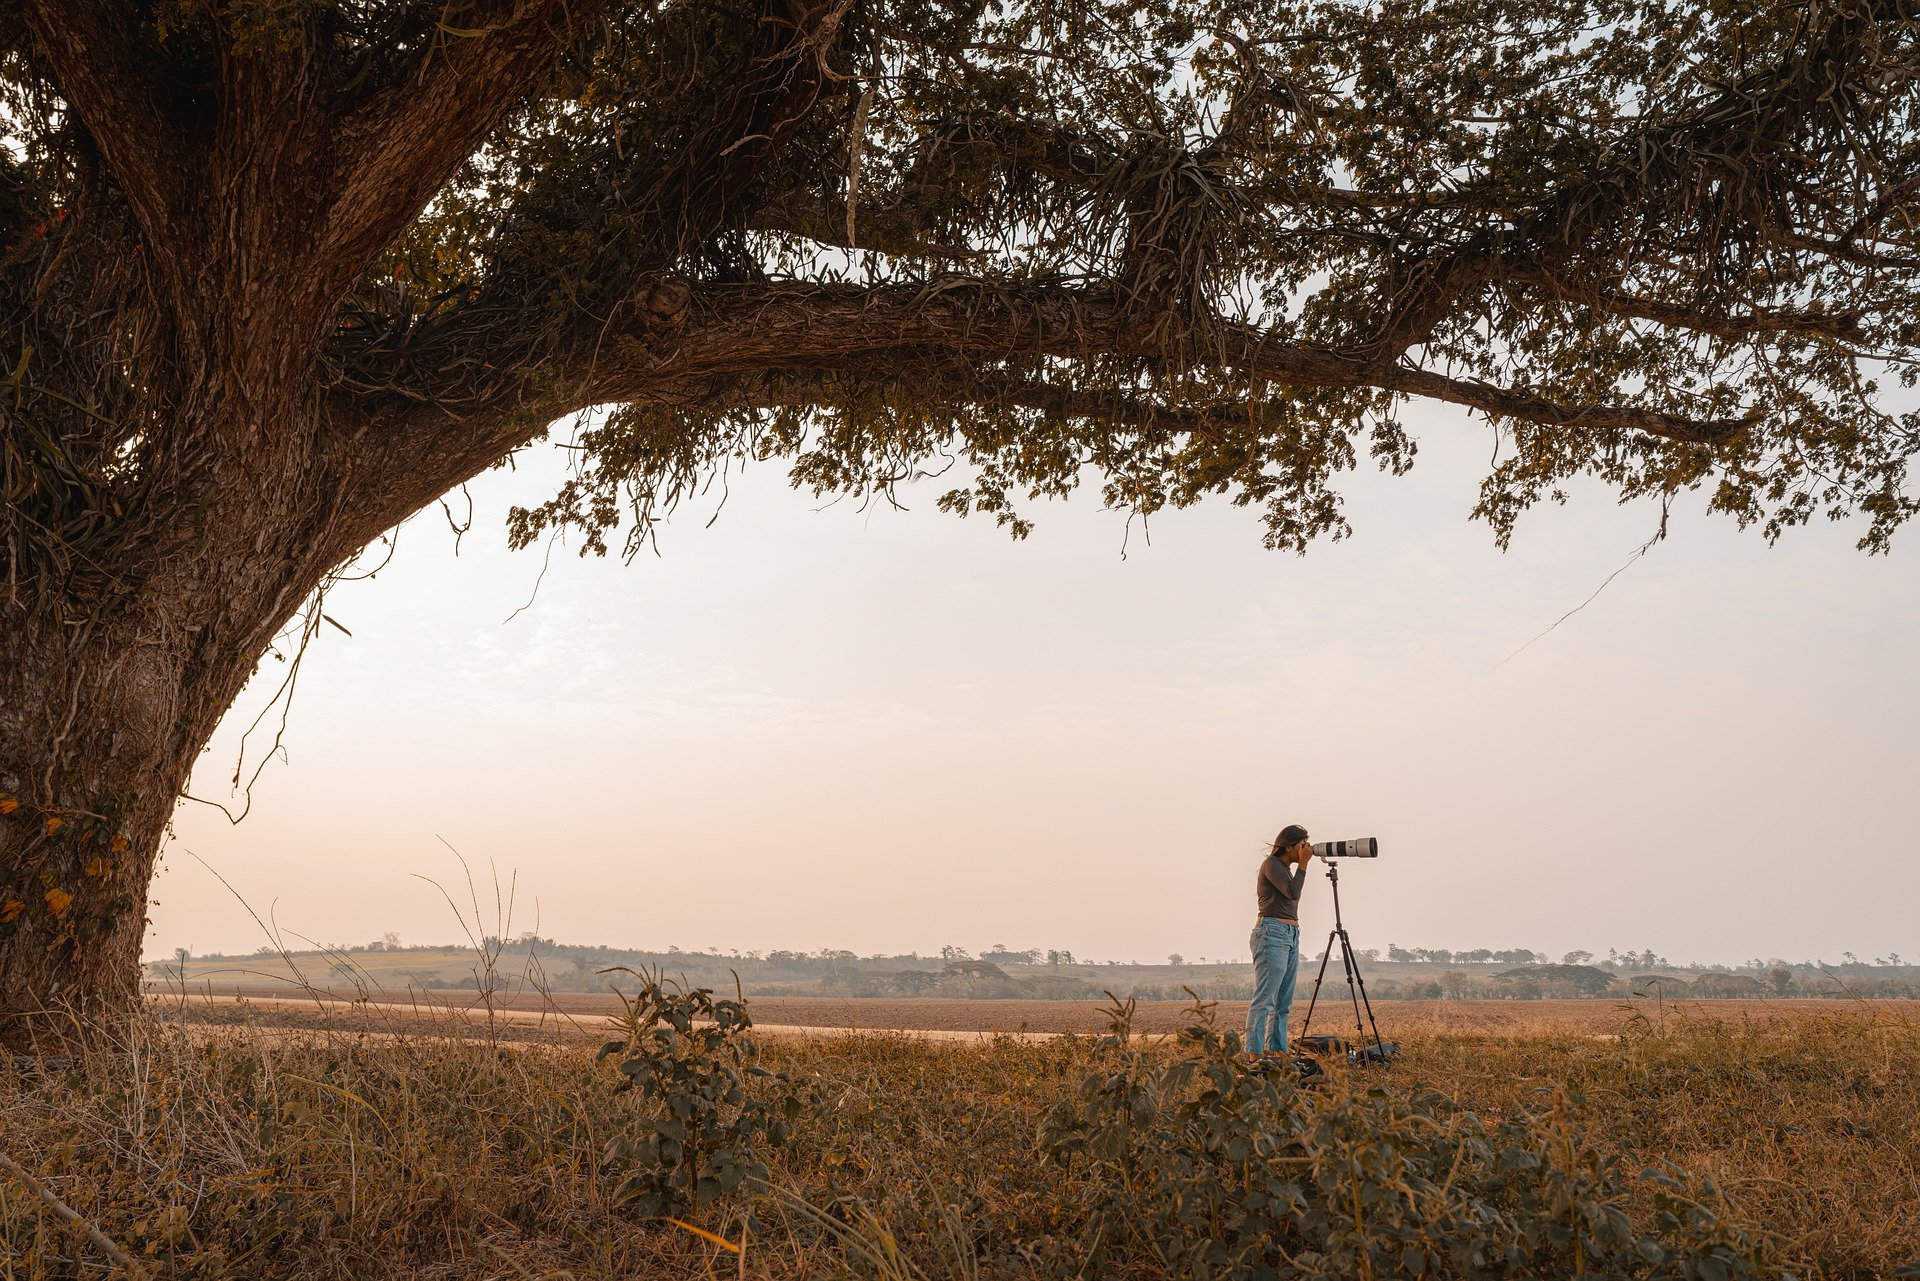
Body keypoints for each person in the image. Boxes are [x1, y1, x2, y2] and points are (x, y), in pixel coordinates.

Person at [1247, 824, 1311, 1056]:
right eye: (1302, 845)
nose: (1306, 849)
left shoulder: (1285, 868)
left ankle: (1277, 1053)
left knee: (1283, 1002)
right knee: (1265, 1000)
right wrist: (1303, 865)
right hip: (1271, 932)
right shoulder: (1272, 865)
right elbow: (1292, 893)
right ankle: (1254, 1055)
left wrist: (1301, 864)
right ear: (1288, 846)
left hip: (1290, 933)